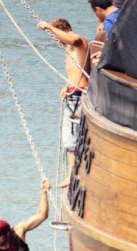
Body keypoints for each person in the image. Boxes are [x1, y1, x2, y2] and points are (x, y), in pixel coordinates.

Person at [38, 18, 89, 187]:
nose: (56, 41)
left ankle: (72, 174)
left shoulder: (77, 42)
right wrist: (66, 86)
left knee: (71, 137)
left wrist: (49, 27)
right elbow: (76, 73)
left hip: (78, 96)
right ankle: (73, 172)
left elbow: (73, 39)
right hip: (73, 93)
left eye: (56, 36)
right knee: (71, 136)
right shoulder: (71, 49)